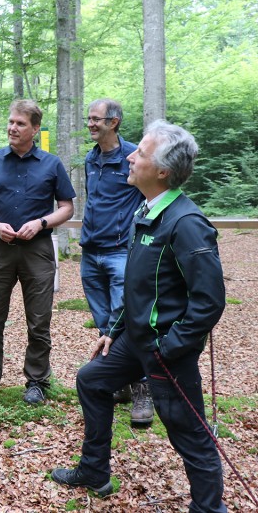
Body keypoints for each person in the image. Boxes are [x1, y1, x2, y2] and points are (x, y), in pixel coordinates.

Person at [52, 121, 227, 513]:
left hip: (166, 350)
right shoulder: (147, 211)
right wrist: (114, 329)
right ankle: (94, 471)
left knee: (190, 435)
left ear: (162, 171)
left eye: (141, 154)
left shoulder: (187, 223)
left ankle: (209, 509)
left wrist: (171, 347)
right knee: (92, 379)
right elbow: (137, 283)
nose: (130, 156)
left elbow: (210, 301)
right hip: (135, 340)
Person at [0, 99, 75, 405]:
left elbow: (67, 207)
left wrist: (41, 223)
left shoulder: (51, 164)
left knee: (39, 320)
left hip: (37, 250)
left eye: (20, 123)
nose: (12, 128)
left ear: (35, 129)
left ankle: (37, 382)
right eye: (11, 122)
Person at [80, 98, 153, 425]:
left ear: (114, 122)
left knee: (127, 319)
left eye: (96, 119)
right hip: (90, 251)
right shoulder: (90, 159)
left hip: (121, 252)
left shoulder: (134, 157)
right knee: (104, 320)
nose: (91, 124)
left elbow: (151, 198)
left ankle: (143, 388)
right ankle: (119, 381)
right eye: (89, 119)